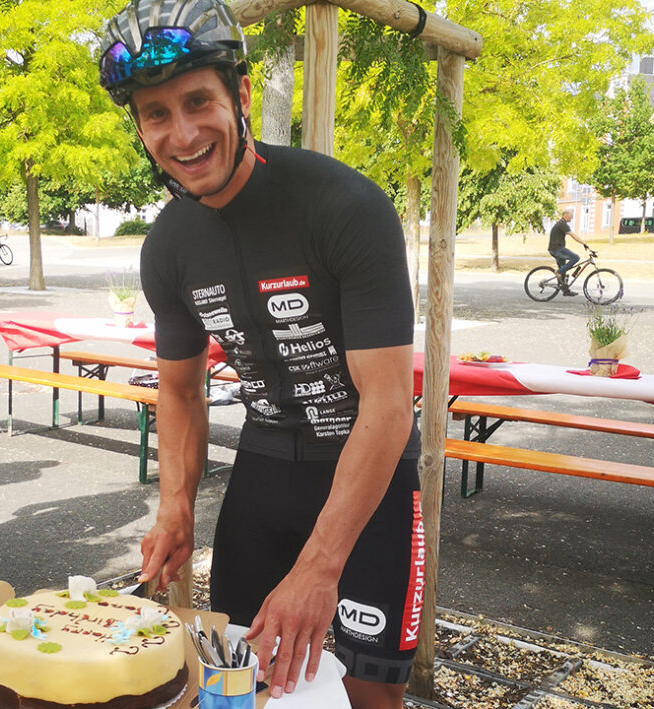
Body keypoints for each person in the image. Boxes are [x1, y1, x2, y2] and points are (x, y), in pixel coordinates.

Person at [98, 3, 422, 707]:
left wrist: (321, 565)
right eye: (156, 114)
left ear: (241, 95)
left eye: (198, 101)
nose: (183, 134)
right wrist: (175, 507)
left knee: (367, 696)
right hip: (265, 468)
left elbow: (390, 401)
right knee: (238, 683)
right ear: (140, 128)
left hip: (370, 473)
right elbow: (180, 391)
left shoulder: (345, 206)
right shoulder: (167, 246)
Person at [548, 208, 589, 296]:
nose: (572, 218)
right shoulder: (562, 224)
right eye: (571, 216)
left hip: (555, 249)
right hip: (557, 249)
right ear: (565, 215)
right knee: (576, 257)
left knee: (564, 269)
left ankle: (565, 291)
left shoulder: (562, 223)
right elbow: (573, 235)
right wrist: (584, 243)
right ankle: (558, 272)